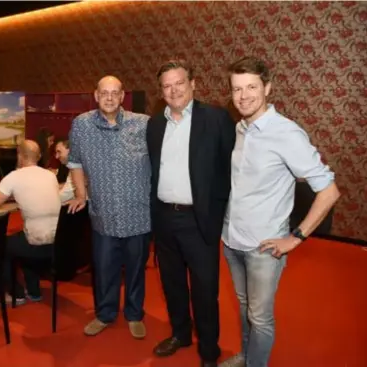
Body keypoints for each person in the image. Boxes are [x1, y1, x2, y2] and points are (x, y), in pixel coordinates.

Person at [219, 57, 340, 367]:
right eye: (237, 89)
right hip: (232, 239)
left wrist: (295, 238)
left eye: (251, 87)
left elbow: (329, 191)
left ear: (267, 88)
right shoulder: (241, 128)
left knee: (260, 318)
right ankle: (247, 356)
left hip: (264, 246)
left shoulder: (286, 133)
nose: (243, 96)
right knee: (245, 306)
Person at [146, 59, 236, 367]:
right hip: (164, 218)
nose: (173, 90)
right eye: (166, 86)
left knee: (205, 289)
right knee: (171, 283)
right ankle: (180, 334)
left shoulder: (216, 118)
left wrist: (221, 213)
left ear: (193, 83)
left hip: (199, 220)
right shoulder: (155, 124)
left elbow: (229, 170)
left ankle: (209, 350)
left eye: (179, 83)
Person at [67, 75, 151, 340]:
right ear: (96, 95)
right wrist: (81, 193)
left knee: (136, 269)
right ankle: (105, 314)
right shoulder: (81, 125)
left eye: (115, 92)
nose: (110, 97)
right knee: (104, 270)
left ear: (123, 95)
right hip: (103, 213)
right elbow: (75, 162)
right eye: (105, 92)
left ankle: (135, 314)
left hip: (138, 213)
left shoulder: (143, 124)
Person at [0, 140, 61, 305]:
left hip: (35, 244)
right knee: (23, 235)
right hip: (58, 244)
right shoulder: (50, 175)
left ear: (20, 156)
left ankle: (15, 293)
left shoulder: (13, 177)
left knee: (0, 245)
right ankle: (34, 291)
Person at [53, 138, 75, 203]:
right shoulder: (73, 165)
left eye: (59, 152)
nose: (56, 157)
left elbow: (63, 196)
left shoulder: (76, 168)